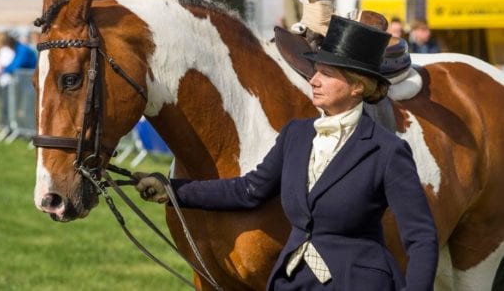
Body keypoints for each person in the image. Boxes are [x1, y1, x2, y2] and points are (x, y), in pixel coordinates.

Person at [134, 15, 439, 290]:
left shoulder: (387, 150)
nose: (314, 81)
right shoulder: (296, 135)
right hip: (293, 281)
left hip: (357, 281)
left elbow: (421, 237)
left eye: (326, 73)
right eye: (315, 71)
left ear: (358, 86)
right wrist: (173, 190)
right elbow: (248, 190)